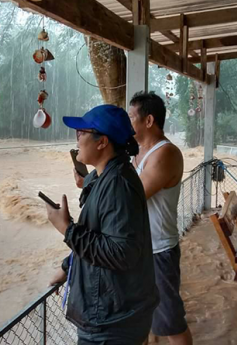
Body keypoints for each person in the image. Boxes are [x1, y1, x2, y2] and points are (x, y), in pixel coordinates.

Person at [45, 104, 159, 345]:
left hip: (111, 322)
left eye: (82, 132)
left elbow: (121, 252)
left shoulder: (118, 184)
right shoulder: (107, 176)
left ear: (102, 142)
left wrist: (66, 228)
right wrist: (68, 269)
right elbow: (99, 231)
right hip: (112, 312)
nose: (77, 137)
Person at [129, 91, 193, 345]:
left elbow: (133, 196)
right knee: (140, 318)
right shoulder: (136, 152)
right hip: (138, 249)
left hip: (159, 251)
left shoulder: (165, 153)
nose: (127, 123)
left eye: (131, 117)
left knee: (170, 322)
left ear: (148, 120)